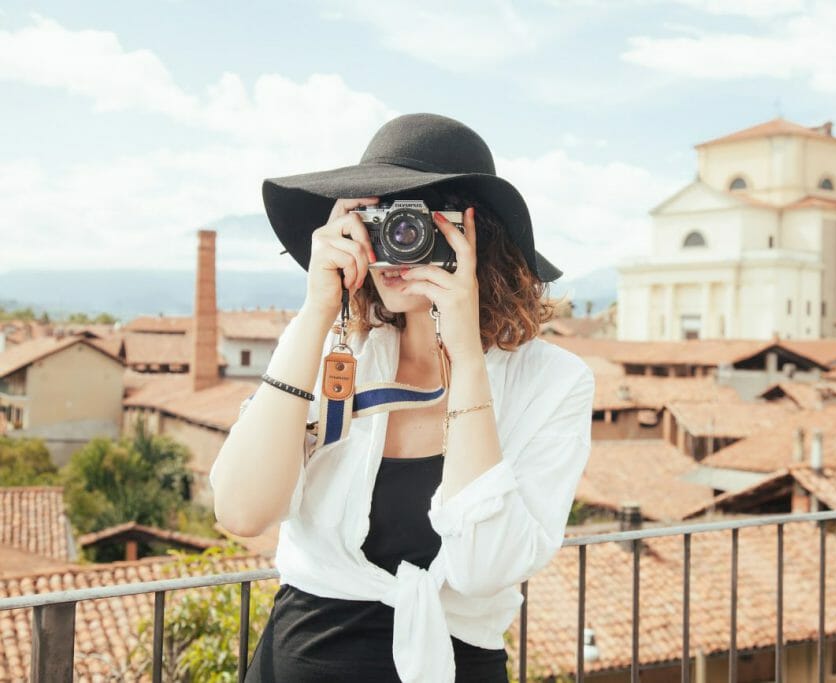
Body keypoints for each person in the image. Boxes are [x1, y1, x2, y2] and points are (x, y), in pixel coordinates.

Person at [209, 113, 595, 682]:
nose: (396, 240)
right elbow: (241, 511)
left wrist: (465, 357)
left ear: (474, 234)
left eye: (415, 219)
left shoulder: (554, 382)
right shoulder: (332, 349)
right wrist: (317, 309)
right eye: (377, 217)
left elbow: (485, 568)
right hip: (303, 659)